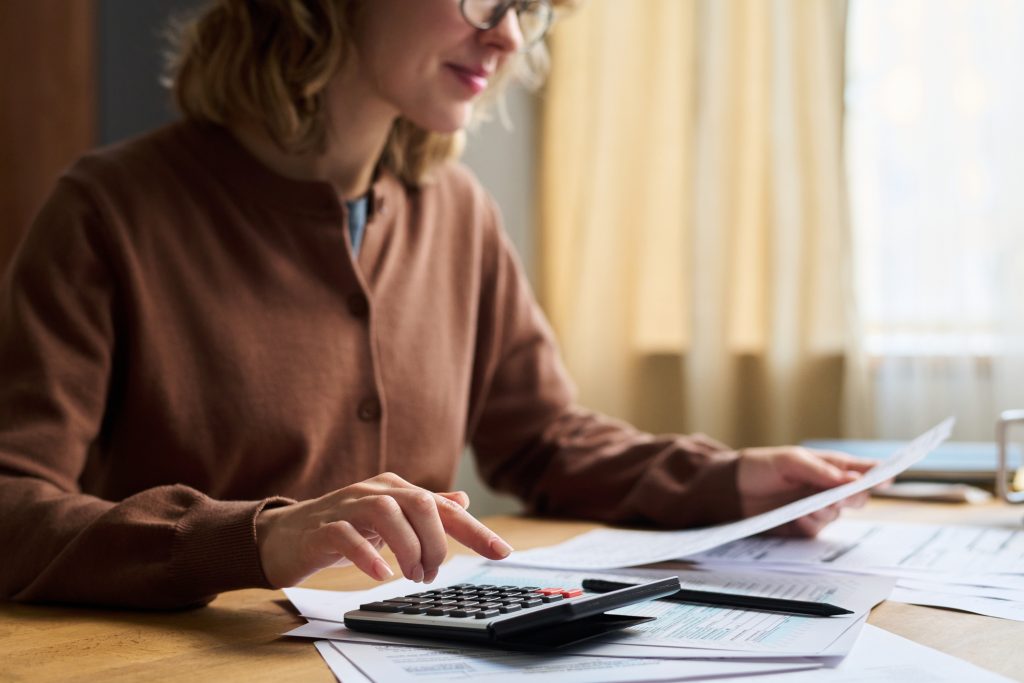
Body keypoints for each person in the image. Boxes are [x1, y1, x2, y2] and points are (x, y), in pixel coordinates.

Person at [0, 0, 872, 609]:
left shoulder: (455, 212)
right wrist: (255, 538)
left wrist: (730, 477)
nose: (508, 37)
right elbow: (12, 505)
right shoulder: (109, 211)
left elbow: (543, 441)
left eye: (528, 6)